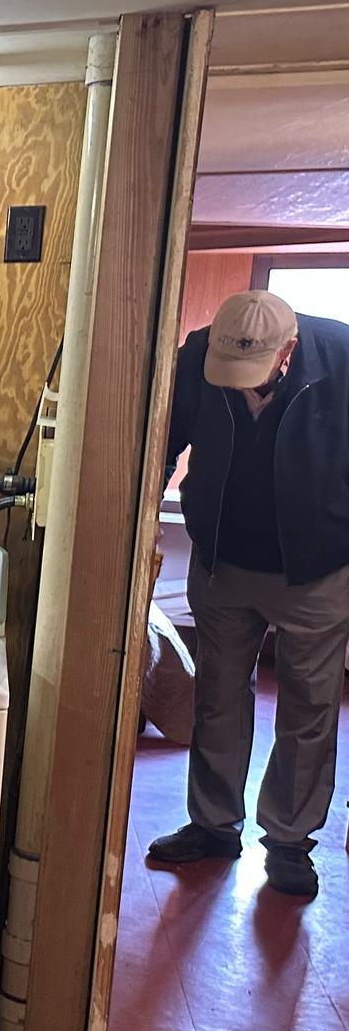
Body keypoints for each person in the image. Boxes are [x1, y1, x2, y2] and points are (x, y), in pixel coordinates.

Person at [148, 290, 349, 898]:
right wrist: (139, 519)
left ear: (288, 350)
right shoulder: (196, 356)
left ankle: (289, 841)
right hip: (223, 558)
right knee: (217, 696)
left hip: (316, 566)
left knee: (310, 706)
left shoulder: (341, 357)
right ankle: (213, 826)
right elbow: (161, 441)